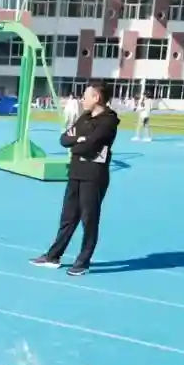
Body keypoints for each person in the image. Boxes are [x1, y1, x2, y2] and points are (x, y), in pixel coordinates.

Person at [31, 81, 119, 276]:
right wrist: (79, 140)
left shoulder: (108, 121)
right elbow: (64, 139)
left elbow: (89, 146)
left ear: (96, 98)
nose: (82, 99)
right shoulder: (84, 118)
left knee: (89, 219)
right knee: (68, 217)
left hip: (94, 176)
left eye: (85, 96)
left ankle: (83, 261)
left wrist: (78, 144)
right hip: (76, 173)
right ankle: (53, 256)